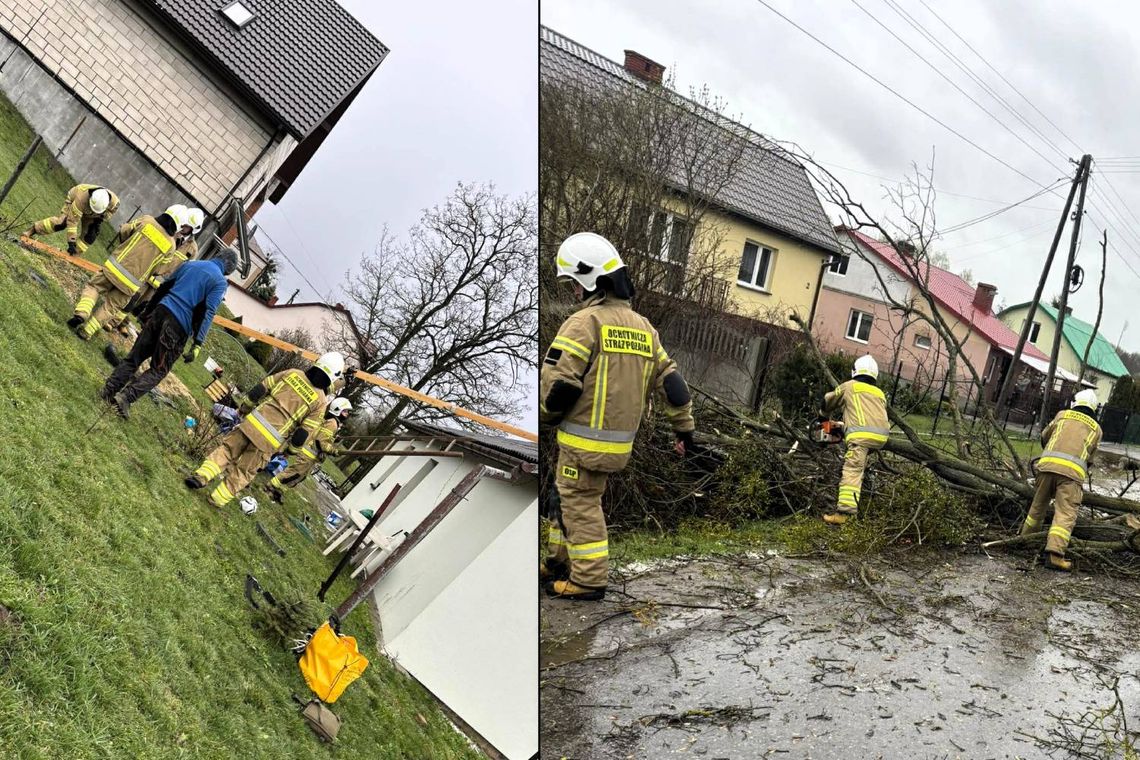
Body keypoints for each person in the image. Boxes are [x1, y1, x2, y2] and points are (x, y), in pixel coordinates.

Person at [539, 232, 695, 601]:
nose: (575, 293)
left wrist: (545, 418)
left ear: (594, 279)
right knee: (562, 498)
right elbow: (673, 384)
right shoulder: (645, 330)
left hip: (581, 442)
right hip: (618, 445)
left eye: (576, 285)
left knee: (579, 502)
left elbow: (559, 385)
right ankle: (557, 561)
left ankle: (589, 580)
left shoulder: (584, 323)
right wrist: (684, 429)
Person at [185, 352, 345, 508]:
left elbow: (260, 389)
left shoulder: (293, 373)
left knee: (226, 450)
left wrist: (243, 409)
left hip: (250, 424)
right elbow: (303, 434)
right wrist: (290, 452)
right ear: (333, 378)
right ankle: (216, 499)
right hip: (268, 442)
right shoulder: (321, 402)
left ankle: (201, 476)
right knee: (244, 471)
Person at [100, 250, 236, 418]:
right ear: (228, 269)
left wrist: (147, 310)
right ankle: (125, 398)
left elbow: (164, 286)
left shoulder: (190, 264)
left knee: (134, 357)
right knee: (158, 369)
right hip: (178, 326)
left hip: (160, 311)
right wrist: (198, 343)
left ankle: (108, 390)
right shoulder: (219, 282)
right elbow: (208, 312)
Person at [69, 205, 185, 340]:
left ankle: (83, 312)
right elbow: (160, 269)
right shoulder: (171, 245)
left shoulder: (147, 221)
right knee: (110, 307)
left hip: (114, 267)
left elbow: (125, 231)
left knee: (94, 287)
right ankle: (87, 331)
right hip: (132, 283)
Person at [1020, 389, 1102, 572]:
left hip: (1047, 467)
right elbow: (1089, 459)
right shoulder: (1096, 428)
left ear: (1075, 403)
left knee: (1037, 506)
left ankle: (1024, 540)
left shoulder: (1062, 415)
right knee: (1065, 513)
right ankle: (1055, 555)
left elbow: (1044, 437)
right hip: (1071, 476)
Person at [819, 354, 890, 525]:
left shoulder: (850, 386)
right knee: (843, 427)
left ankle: (844, 514)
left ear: (855, 371)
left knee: (852, 470)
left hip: (861, 436)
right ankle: (826, 437)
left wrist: (822, 416)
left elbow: (829, 399)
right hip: (881, 436)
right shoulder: (879, 392)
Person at [266, 397, 353, 503]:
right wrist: (333, 451)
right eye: (345, 411)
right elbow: (321, 441)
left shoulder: (333, 422)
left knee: (298, 477)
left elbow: (322, 437)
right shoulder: (333, 424)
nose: (347, 414)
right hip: (309, 454)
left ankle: (277, 489)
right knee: (294, 473)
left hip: (312, 455)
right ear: (337, 409)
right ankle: (271, 485)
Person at [26, 184, 119, 257]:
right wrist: (71, 242)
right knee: (61, 223)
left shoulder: (114, 202)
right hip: (74, 200)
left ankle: (72, 255)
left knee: (90, 236)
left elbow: (111, 212)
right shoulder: (81, 198)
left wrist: (102, 217)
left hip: (95, 215)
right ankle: (32, 230)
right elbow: (73, 221)